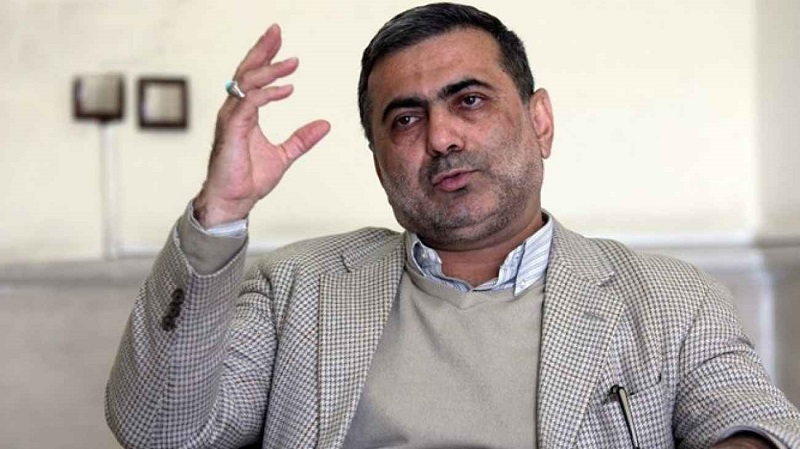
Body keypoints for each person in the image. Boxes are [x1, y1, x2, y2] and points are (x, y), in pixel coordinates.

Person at [105, 3, 800, 448]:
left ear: (540, 121)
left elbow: (754, 423)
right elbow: (157, 429)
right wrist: (221, 214)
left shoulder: (671, 300)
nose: (441, 137)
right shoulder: (296, 290)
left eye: (469, 101)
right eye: (406, 119)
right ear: (379, 160)